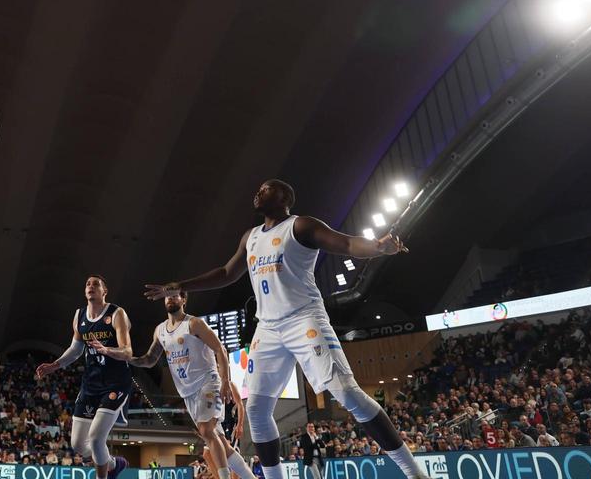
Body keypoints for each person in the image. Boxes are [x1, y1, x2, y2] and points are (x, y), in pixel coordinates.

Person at [145, 180, 427, 479]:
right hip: (267, 327)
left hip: (303, 318)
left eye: (265, 189)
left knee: (347, 393)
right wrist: (181, 285)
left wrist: (377, 247)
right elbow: (227, 273)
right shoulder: (251, 237)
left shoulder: (301, 226)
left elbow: (345, 244)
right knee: (256, 410)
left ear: (284, 198)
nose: (257, 191)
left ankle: (414, 473)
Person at [94, 289, 255, 479]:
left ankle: (225, 477)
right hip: (188, 393)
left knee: (206, 430)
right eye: (167, 295)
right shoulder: (160, 330)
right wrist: (126, 358)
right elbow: (149, 359)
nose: (170, 298)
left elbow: (220, 349)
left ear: (184, 299)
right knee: (219, 441)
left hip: (208, 382)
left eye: (174, 294)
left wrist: (226, 381)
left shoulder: (194, 323)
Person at [35, 276, 131, 479]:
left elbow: (128, 351)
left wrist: (107, 350)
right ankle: (114, 464)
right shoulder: (79, 315)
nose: (91, 286)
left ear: (105, 291)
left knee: (96, 439)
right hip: (91, 385)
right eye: (88, 283)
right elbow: (76, 349)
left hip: (115, 383)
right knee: (78, 444)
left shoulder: (116, 313)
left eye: (96, 284)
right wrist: (55, 365)